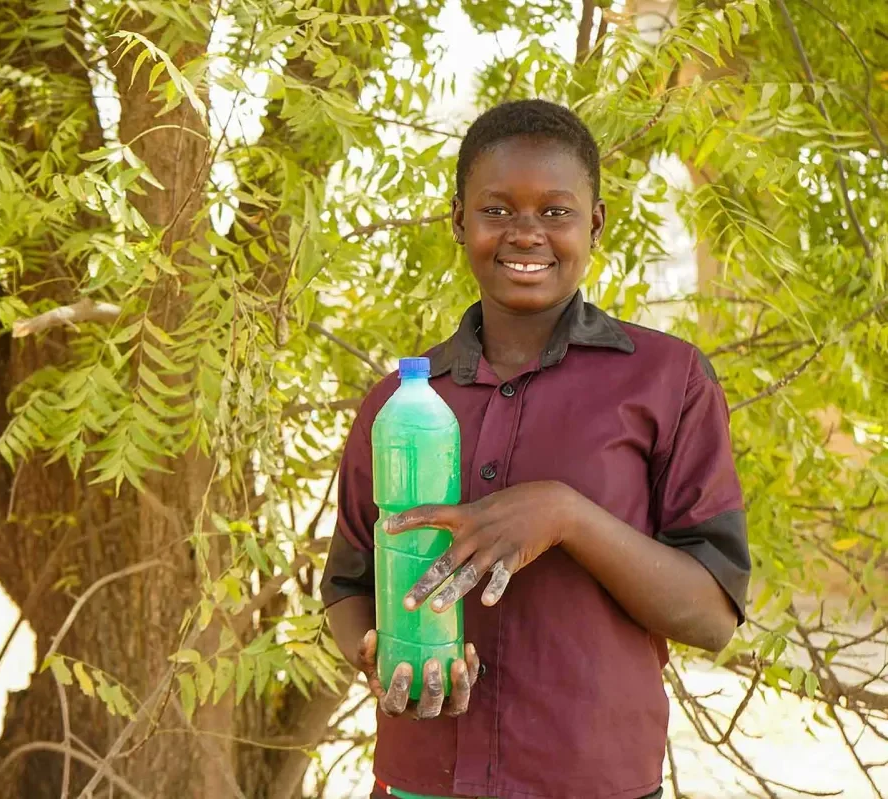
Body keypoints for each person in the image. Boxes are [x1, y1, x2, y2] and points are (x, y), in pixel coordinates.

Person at [320, 99, 751, 799]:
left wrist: (564, 515)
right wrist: (372, 652)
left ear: (595, 222)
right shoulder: (397, 405)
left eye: (555, 211)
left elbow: (708, 615)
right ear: (458, 219)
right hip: (417, 781)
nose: (526, 234)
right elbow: (346, 584)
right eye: (497, 210)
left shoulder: (665, 380)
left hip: (591, 780)